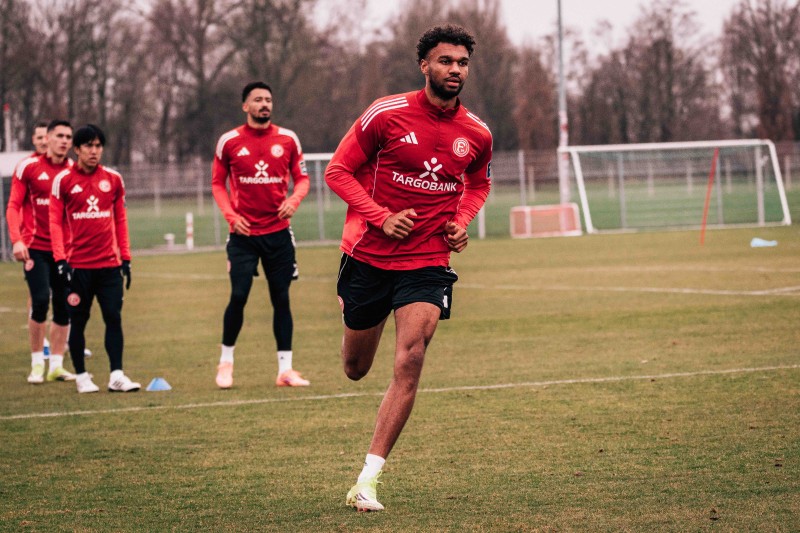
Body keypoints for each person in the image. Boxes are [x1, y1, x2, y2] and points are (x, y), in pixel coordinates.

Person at [325, 25, 493, 512]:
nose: (455, 70)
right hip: (369, 256)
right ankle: (358, 317)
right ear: (424, 65)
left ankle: (368, 480)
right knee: (356, 368)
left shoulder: (477, 132)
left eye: (462, 62)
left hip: (428, 260)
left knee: (412, 357)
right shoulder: (386, 113)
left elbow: (478, 184)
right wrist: (380, 217)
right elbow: (337, 171)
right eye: (446, 61)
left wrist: (461, 222)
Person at [211, 81, 311, 389]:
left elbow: (303, 179)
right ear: (246, 106)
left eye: (268, 99)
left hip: (278, 235)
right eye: (257, 100)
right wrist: (231, 217)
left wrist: (294, 200)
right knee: (238, 295)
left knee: (281, 299)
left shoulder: (288, 139)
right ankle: (226, 362)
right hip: (243, 236)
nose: (264, 104)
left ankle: (285, 370)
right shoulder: (229, 141)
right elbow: (217, 184)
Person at [49, 124, 140, 393]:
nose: (94, 151)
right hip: (78, 268)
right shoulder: (63, 181)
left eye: (98, 146)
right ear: (77, 149)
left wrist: (126, 257)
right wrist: (60, 260)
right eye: (88, 146)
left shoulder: (113, 179)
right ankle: (82, 377)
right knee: (78, 322)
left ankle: (116, 376)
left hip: (109, 266)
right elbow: (54, 222)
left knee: (113, 318)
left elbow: (120, 220)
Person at [6, 120, 76, 383]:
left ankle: (56, 365)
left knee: (64, 305)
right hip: (35, 247)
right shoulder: (29, 167)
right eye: (59, 136)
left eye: (68, 137)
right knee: (39, 300)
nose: (64, 141)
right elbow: (13, 206)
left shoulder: (73, 170)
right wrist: (17, 240)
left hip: (65, 251)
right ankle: (37, 363)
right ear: (47, 138)